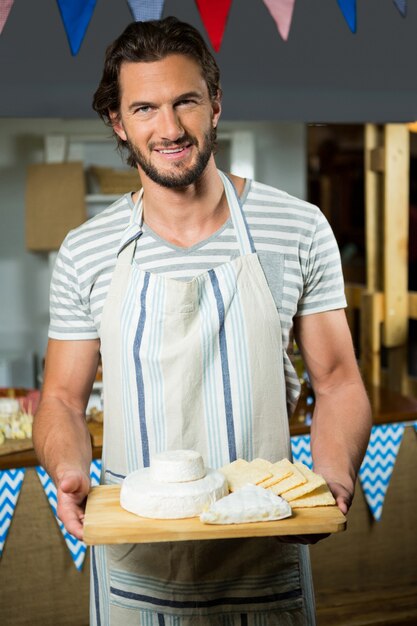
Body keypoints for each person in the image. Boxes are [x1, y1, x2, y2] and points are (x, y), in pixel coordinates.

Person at [33, 16, 372, 626]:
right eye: (144, 108)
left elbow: (340, 381)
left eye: (184, 101)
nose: (168, 128)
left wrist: (333, 478)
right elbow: (60, 397)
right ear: (118, 122)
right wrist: (67, 469)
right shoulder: (86, 249)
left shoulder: (297, 228)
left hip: (267, 553)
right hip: (136, 566)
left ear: (215, 104)